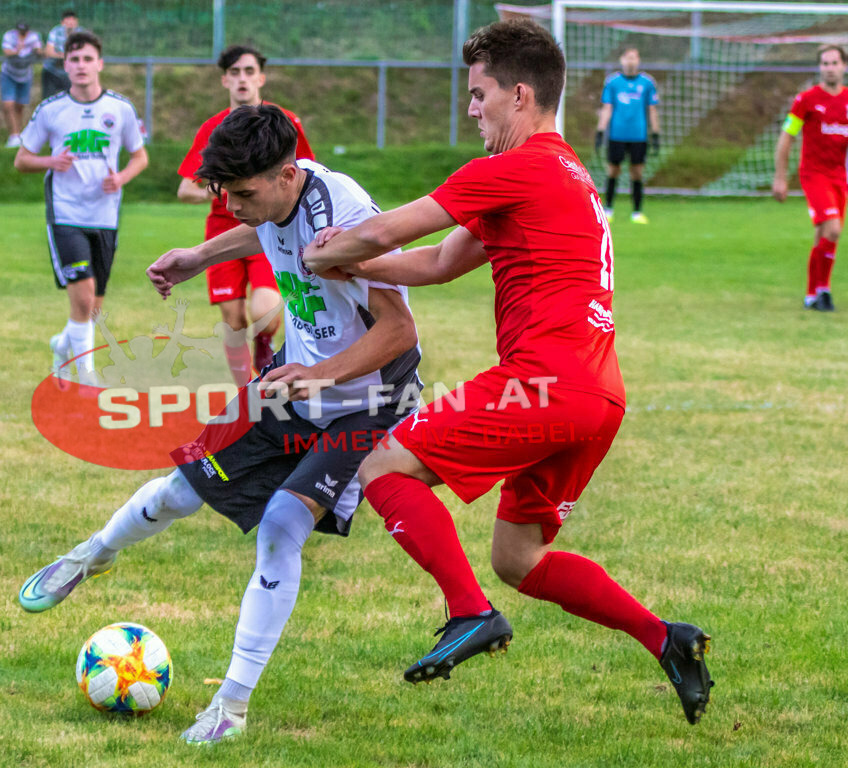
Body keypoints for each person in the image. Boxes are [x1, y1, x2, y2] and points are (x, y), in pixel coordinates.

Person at [303, 18, 713, 726]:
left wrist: (326, 251)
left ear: (519, 95)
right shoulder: (566, 174)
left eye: (478, 94)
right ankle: (665, 638)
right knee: (518, 558)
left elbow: (388, 231)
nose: (472, 109)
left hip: (545, 380)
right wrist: (354, 265)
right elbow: (433, 265)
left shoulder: (515, 168)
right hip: (598, 393)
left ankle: (470, 615)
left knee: (380, 468)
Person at [18, 104, 422, 744]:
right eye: (223, 194)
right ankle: (88, 557)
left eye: (242, 193)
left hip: (366, 399)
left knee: (282, 526)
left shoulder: (344, 218)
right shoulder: (276, 197)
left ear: (288, 175)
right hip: (298, 379)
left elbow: (400, 333)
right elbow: (259, 229)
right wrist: (198, 256)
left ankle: (230, 707)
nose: (232, 205)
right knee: (183, 486)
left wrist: (321, 375)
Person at [13, 31, 149, 382]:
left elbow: (140, 156)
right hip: (66, 214)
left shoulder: (120, 109)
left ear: (99, 64)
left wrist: (120, 178)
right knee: (84, 298)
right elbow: (21, 159)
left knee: (93, 305)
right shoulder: (52, 110)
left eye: (87, 59)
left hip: (105, 215)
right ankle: (85, 375)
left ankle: (62, 343)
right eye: (74, 59)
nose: (81, 65)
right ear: (66, 66)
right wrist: (50, 161)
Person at [178, 45, 314, 386]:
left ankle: (265, 346)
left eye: (249, 71)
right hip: (223, 230)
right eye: (235, 72)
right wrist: (229, 191)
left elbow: (305, 172)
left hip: (270, 226)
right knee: (233, 319)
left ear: (261, 78)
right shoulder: (213, 128)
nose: (242, 79)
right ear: (225, 79)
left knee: (264, 312)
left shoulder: (284, 122)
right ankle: (244, 393)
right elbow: (186, 189)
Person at [772, 44, 848, 312]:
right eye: (825, 63)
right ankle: (824, 291)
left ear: (844, 66)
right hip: (814, 176)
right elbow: (787, 137)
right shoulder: (806, 100)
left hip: (840, 178)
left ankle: (810, 294)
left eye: (834, 63)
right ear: (819, 68)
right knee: (834, 229)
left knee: (824, 236)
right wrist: (780, 177)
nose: (829, 68)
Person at [595, 46, 660, 224]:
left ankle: (637, 212)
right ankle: (608, 209)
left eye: (634, 58)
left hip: (638, 135)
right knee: (613, 170)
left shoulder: (647, 83)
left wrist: (655, 133)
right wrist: (600, 130)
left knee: (637, 173)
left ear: (638, 61)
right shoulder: (613, 82)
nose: (631, 61)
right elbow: (607, 107)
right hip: (617, 134)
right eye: (628, 58)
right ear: (622, 60)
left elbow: (652, 109)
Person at [0, 20, 43, 148]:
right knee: (8, 105)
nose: (22, 34)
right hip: (9, 74)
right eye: (20, 32)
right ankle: (13, 135)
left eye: (24, 32)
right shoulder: (9, 36)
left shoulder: (34, 37)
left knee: (20, 106)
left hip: (25, 75)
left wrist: (38, 51)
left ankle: (18, 135)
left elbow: (39, 51)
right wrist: (18, 49)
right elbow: (7, 51)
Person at [42, 9, 82, 99]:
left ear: (76, 22)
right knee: (49, 100)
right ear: (62, 22)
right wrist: (68, 56)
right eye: (68, 20)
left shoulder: (82, 33)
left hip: (71, 73)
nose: (70, 23)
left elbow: (83, 53)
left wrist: (60, 55)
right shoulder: (55, 31)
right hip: (52, 70)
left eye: (73, 20)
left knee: (72, 100)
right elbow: (48, 52)